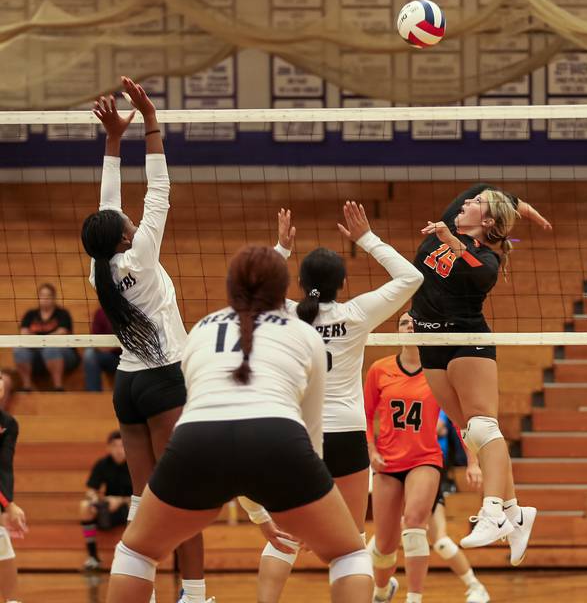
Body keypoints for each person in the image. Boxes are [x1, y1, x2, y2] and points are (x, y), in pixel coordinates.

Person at [104, 245, 373, 603]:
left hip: (196, 441)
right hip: (278, 439)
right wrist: (312, 500)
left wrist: (259, 513)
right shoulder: (305, 334)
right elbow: (310, 434)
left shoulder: (200, 329)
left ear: (231, 288)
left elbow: (218, 422)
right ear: (283, 291)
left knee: (136, 552)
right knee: (350, 554)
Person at [80, 80, 208, 603]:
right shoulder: (142, 257)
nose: (133, 220)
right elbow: (159, 190)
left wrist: (113, 141)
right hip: (162, 382)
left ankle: (146, 592)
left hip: (128, 386)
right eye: (129, 224)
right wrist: (150, 121)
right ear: (126, 236)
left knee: (141, 498)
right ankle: (196, 594)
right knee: (184, 492)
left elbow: (107, 206)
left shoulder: (100, 269)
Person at [255, 203, 423, 602]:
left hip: (299, 436)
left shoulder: (287, 313)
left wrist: (280, 248)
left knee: (287, 536)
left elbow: (252, 289)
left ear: (301, 281)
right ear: (342, 283)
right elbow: (412, 276)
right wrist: (366, 238)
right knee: (350, 543)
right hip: (347, 435)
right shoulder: (355, 313)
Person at [410, 183, 551, 563]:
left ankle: (493, 511)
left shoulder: (488, 260)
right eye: (469, 202)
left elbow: (472, 265)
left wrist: (452, 240)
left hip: (465, 337)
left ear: (485, 220)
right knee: (473, 433)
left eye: (476, 204)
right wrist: (522, 206)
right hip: (429, 338)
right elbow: (482, 186)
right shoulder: (456, 220)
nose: (467, 202)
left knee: (484, 426)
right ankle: (516, 513)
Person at [364, 312, 489, 603]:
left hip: (425, 459)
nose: (409, 327)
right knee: (384, 544)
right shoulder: (379, 370)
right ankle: (383, 591)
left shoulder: (438, 372)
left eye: (414, 322)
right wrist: (371, 449)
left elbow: (460, 421)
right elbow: (366, 415)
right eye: (403, 323)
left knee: (415, 524)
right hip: (387, 463)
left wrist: (473, 461)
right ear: (397, 332)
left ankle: (415, 598)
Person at [12, 282, 79, 391]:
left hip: (64, 354)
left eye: (48, 296)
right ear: (38, 297)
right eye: (42, 295)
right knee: (19, 350)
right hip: (36, 354)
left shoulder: (62, 314)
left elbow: (62, 332)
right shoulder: (31, 314)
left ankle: (58, 387)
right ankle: (26, 386)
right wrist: (42, 341)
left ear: (54, 298)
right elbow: (24, 332)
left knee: (50, 349)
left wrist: (40, 340)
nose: (45, 298)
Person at [80, 431, 132, 570]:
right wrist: (96, 500)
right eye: (114, 446)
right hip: (108, 509)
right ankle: (92, 556)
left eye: (122, 445)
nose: (119, 450)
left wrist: (120, 500)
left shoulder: (135, 464)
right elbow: (91, 490)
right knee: (85, 506)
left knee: (136, 507)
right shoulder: (102, 464)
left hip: (130, 508)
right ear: (108, 447)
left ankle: (131, 557)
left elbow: (144, 493)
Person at [0, 373, 26, 603]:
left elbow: (4, 467)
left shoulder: (8, 424)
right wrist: (8, 505)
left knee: (1, 538)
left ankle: (11, 601)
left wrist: (9, 503)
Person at [83, 307, 122, 392]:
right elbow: (94, 338)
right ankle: (93, 395)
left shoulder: (129, 311)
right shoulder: (101, 312)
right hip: (110, 357)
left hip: (129, 356)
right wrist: (101, 347)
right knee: (89, 354)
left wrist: (112, 346)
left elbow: (132, 340)